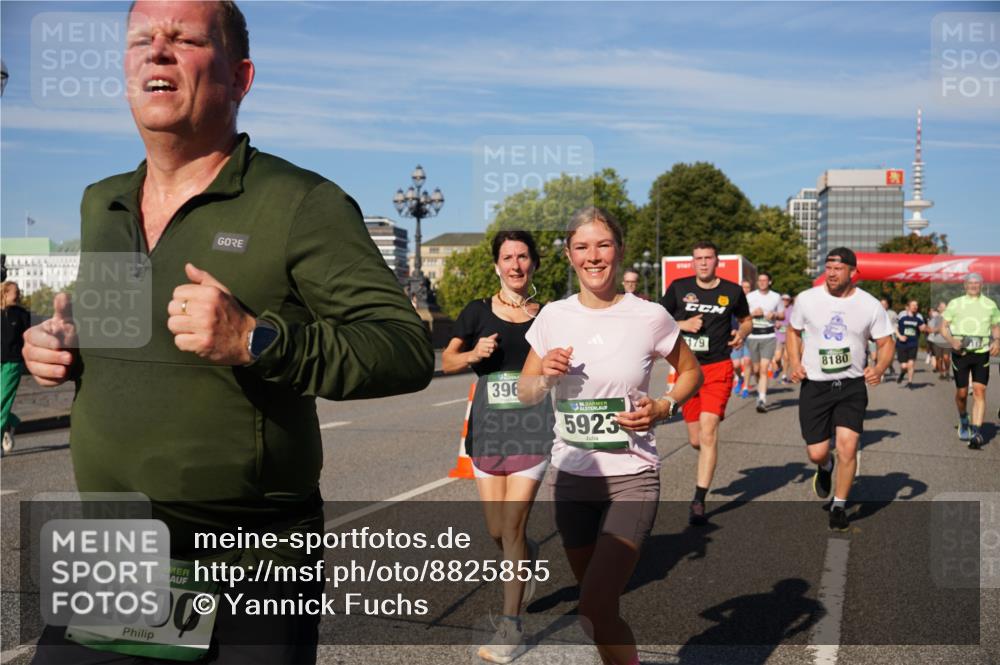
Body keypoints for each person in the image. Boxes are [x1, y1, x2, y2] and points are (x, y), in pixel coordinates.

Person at [21, 2, 433, 662]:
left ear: (240, 77)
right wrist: (64, 351)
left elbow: (404, 349)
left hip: (248, 562)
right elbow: (123, 338)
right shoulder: (103, 202)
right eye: (141, 40)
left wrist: (255, 340)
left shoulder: (302, 202)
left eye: (183, 39)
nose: (157, 51)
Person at [518, 206, 701, 665]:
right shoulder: (553, 317)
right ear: (568, 255)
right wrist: (545, 377)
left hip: (632, 477)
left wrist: (663, 406)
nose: (593, 256)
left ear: (618, 251)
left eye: (603, 245)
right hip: (572, 478)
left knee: (595, 604)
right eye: (582, 247)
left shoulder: (650, 316)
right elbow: (524, 391)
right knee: (595, 612)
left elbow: (690, 371)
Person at [441, 230, 553, 663]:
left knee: (511, 525)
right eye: (507, 257)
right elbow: (448, 360)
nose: (515, 264)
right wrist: (473, 353)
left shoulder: (548, 316)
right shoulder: (476, 312)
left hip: (532, 428)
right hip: (487, 431)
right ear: (496, 265)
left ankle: (512, 626)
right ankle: (526, 553)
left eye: (523, 257)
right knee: (497, 530)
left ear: (534, 264)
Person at [786, 248, 894, 532]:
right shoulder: (807, 300)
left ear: (853, 272)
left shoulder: (870, 305)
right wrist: (795, 362)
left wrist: (879, 369)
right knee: (817, 452)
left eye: (838, 268)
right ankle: (825, 467)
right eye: (828, 267)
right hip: (816, 386)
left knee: (848, 447)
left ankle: (839, 505)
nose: (831, 273)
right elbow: (793, 331)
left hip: (851, 385)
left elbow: (886, 343)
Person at [659, 242, 751, 526]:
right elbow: (657, 319)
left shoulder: (732, 291)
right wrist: (682, 325)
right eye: (698, 258)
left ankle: (698, 499)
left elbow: (746, 320)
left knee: (709, 431)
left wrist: (743, 333)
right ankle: (705, 459)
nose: (702, 263)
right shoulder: (678, 287)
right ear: (692, 262)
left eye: (708, 258)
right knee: (696, 439)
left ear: (717, 262)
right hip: (687, 370)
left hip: (718, 367)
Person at [940, 273, 1000, 449]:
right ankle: (963, 417)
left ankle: (976, 432)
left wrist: (997, 340)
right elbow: (943, 327)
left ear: (981, 285)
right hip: (962, 353)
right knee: (962, 394)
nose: (974, 286)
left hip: (982, 352)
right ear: (965, 285)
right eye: (970, 283)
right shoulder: (955, 303)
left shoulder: (990, 304)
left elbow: (996, 326)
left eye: (977, 283)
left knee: (980, 390)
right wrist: (952, 341)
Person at [745, 272, 784, 413]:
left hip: (768, 335)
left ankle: (762, 398)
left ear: (770, 282)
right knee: (755, 369)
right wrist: (752, 314)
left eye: (764, 280)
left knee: (763, 368)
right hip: (753, 336)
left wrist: (774, 315)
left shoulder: (776, 297)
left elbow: (782, 315)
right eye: (760, 280)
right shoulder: (750, 297)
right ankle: (759, 388)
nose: (761, 282)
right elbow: (741, 315)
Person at [1, 281, 31, 455]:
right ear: (4, 293)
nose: (19, 293)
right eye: (16, 291)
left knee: (2, 402)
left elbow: (28, 339)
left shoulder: (22, 315)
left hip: (12, 363)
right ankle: (10, 422)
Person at [895, 299, 926, 388]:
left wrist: (924, 328)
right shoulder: (902, 315)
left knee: (911, 364)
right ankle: (902, 373)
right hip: (902, 344)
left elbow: (922, 328)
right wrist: (899, 336)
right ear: (908, 306)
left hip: (913, 343)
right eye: (913, 305)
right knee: (904, 366)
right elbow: (895, 327)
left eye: (916, 305)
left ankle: (910, 382)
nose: (915, 307)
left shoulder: (919, 316)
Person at [730, 280, 753, 399]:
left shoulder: (754, 300)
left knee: (747, 361)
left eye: (747, 287)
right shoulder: (735, 300)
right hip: (736, 337)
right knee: (736, 364)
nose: (745, 289)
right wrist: (732, 330)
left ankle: (745, 387)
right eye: (743, 287)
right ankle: (740, 378)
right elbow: (729, 317)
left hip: (751, 336)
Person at [775, 294, 794, 383]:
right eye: (783, 299)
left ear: (789, 300)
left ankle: (784, 375)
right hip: (778, 336)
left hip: (789, 336)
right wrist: (775, 324)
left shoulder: (793, 309)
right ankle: (780, 368)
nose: (785, 301)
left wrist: (784, 325)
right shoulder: (777, 308)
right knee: (777, 358)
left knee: (786, 357)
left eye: (787, 299)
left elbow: (795, 322)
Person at [880, 298, 899, 377]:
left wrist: (897, 335)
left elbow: (896, 325)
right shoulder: (875, 312)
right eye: (881, 304)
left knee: (889, 356)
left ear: (887, 305)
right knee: (877, 357)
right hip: (878, 337)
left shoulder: (893, 314)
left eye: (885, 304)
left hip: (890, 337)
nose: (883, 306)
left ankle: (890, 367)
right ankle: (881, 372)